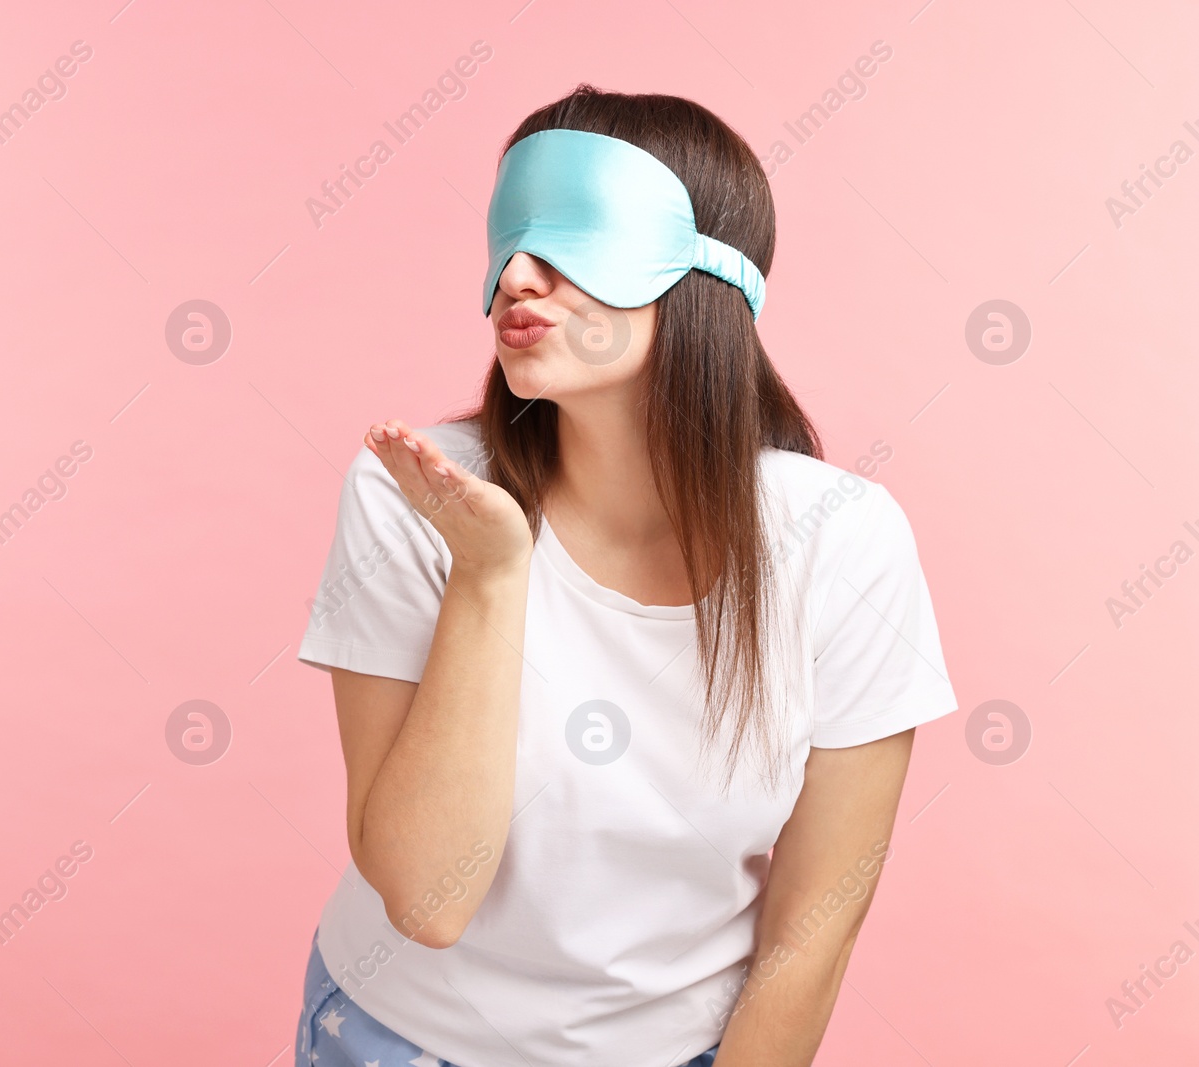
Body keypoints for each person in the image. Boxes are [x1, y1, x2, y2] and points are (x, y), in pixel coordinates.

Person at [291, 84, 959, 1067]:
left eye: (570, 235)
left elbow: (811, 931)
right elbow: (428, 899)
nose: (515, 272)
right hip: (395, 1036)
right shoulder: (416, 493)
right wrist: (488, 577)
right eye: (509, 234)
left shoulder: (841, 541)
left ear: (702, 273)